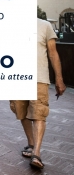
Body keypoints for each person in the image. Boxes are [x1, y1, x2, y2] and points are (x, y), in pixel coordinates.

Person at [9, 18, 66, 170]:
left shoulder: (44, 25)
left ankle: (37, 153)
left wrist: (59, 79)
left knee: (38, 113)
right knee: (21, 112)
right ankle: (31, 144)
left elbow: (53, 54)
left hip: (38, 78)